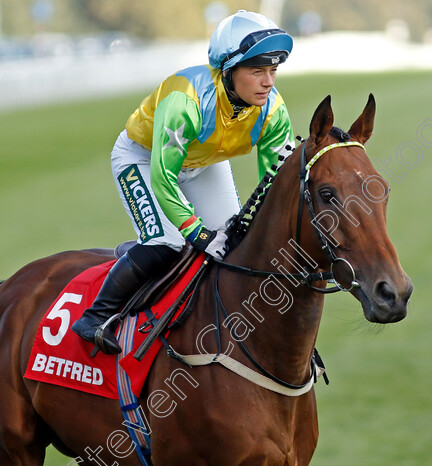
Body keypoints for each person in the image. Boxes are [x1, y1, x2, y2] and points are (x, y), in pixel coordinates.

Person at [71, 10, 295, 354]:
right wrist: (197, 231)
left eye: (272, 70)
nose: (268, 82)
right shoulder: (185, 99)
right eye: (257, 71)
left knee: (233, 244)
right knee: (168, 241)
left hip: (204, 164)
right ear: (228, 70)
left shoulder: (273, 111)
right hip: (144, 159)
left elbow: (273, 180)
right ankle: (95, 316)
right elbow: (163, 177)